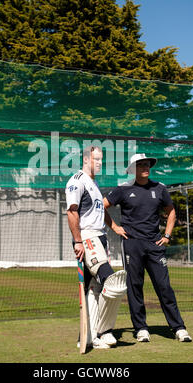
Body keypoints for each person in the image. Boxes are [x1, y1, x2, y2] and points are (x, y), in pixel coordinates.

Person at [103, 153, 192, 343]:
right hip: (132, 244)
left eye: (147, 164)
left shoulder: (159, 188)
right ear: (133, 169)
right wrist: (115, 227)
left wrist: (167, 235)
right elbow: (102, 206)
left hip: (155, 244)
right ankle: (141, 329)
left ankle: (179, 327)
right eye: (141, 164)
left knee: (164, 286)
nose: (145, 167)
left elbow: (171, 212)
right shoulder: (123, 189)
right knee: (134, 287)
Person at [65, 145, 127, 349]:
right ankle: (105, 331)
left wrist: (115, 227)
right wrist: (77, 241)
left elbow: (100, 212)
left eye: (101, 159)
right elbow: (72, 212)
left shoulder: (94, 183)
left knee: (94, 289)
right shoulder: (77, 181)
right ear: (85, 160)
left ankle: (88, 336)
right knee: (112, 280)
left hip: (101, 238)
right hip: (88, 237)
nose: (99, 163)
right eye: (96, 159)